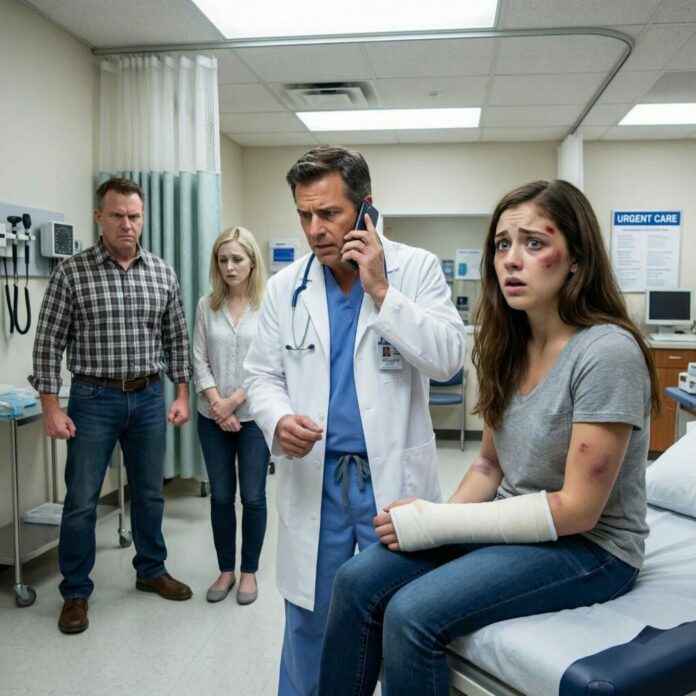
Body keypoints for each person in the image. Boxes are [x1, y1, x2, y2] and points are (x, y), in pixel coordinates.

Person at [318, 179, 661, 696]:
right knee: (355, 580)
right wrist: (436, 530)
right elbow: (488, 466)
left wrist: (437, 522)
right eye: (502, 244)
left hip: (593, 548)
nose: (511, 260)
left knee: (411, 613)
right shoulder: (508, 344)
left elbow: (577, 510)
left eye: (534, 243)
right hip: (521, 525)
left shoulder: (606, 353)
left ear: (576, 258)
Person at [244, 145, 466, 695]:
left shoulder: (414, 269)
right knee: (309, 616)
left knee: (400, 616)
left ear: (366, 207)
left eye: (328, 213)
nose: (314, 230)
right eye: (304, 215)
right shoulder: (286, 287)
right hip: (316, 478)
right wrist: (277, 421)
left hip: (391, 483)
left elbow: (448, 359)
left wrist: (382, 291)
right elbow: (261, 377)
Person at [30, 177, 194, 635]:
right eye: (118, 215)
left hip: (148, 396)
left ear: (143, 218)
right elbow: (47, 344)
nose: (127, 224)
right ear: (99, 217)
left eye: (134, 216)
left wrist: (182, 394)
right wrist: (51, 406)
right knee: (82, 500)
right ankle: (75, 591)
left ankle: (151, 570)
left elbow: (176, 339)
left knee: (150, 491)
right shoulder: (71, 272)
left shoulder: (161, 272)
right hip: (93, 399)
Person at [193, 227, 270, 605]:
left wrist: (234, 401)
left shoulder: (268, 306)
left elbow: (271, 364)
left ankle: (249, 571)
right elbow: (198, 359)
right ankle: (226, 570)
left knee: (253, 497)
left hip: (255, 417)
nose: (230, 266)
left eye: (237, 259)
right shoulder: (206, 306)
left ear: (252, 262)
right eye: (223, 260)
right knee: (221, 497)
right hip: (212, 419)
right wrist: (217, 404)